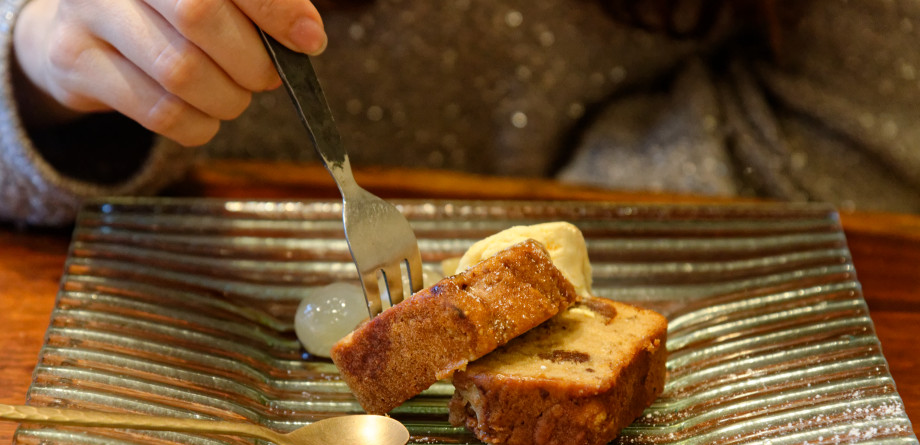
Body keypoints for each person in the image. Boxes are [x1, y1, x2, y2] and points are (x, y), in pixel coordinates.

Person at [2, 0, 918, 227]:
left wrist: (528, 266)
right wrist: (37, 66)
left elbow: (868, 110)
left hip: (694, 257)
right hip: (187, 329)